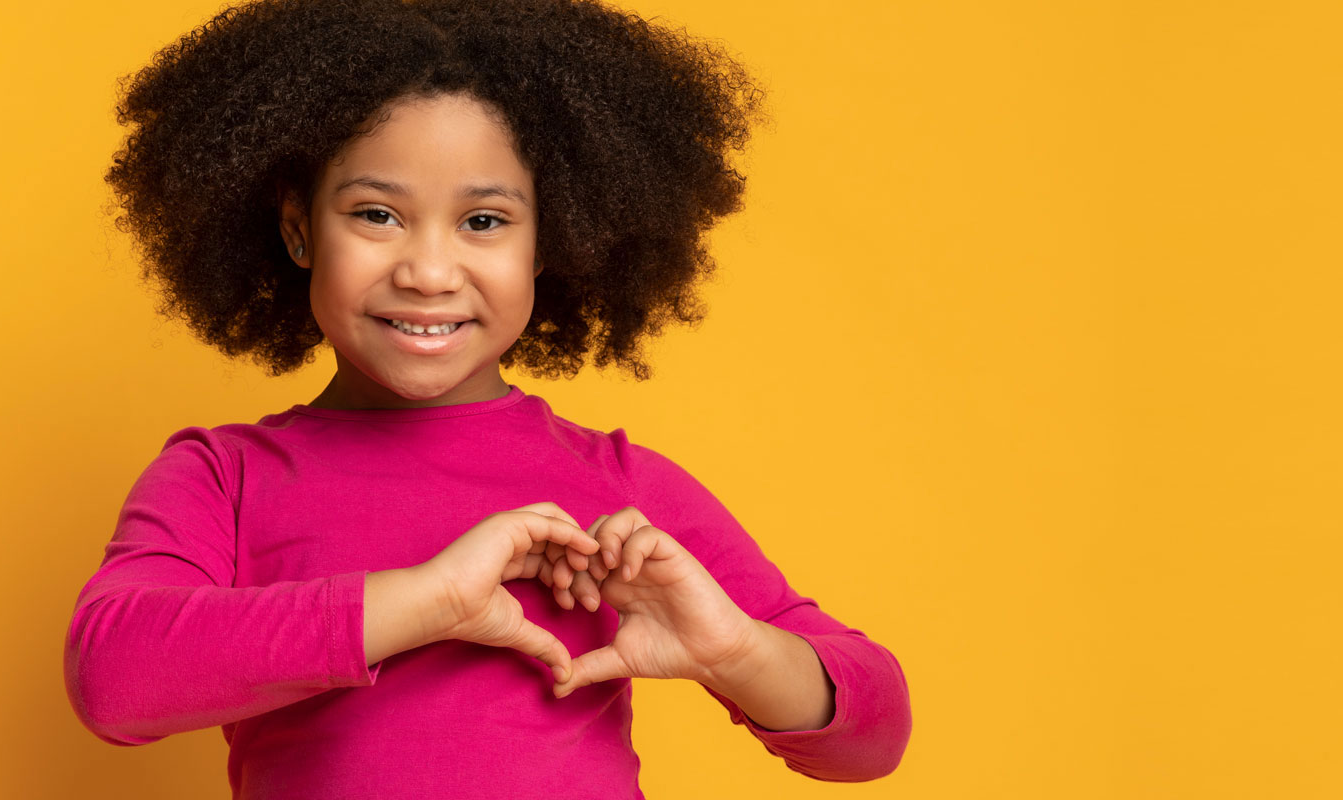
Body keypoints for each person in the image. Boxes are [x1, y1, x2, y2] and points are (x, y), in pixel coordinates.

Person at [59, 0, 912, 796]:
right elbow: (115, 679)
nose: (429, 273)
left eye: (484, 222)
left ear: (552, 240)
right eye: (376, 215)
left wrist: (732, 649)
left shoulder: (622, 490)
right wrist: (430, 601)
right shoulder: (225, 477)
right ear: (296, 228)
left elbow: (873, 732)